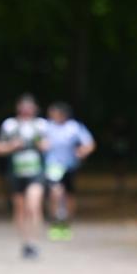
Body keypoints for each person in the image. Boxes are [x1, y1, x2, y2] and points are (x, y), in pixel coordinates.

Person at [0, 95, 47, 258]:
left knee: (33, 205)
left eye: (29, 107)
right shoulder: (9, 125)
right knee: (20, 209)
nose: (26, 110)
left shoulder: (41, 125)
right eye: (23, 107)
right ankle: (25, 242)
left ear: (35, 109)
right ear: (18, 108)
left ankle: (34, 242)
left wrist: (40, 144)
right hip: (16, 173)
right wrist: (12, 146)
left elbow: (48, 146)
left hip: (36, 172)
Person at [44, 102, 96, 240]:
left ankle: (66, 223)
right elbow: (38, 141)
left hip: (70, 166)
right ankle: (55, 221)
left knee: (69, 196)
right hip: (53, 166)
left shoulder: (74, 127)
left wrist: (82, 151)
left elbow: (89, 144)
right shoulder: (46, 126)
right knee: (55, 192)